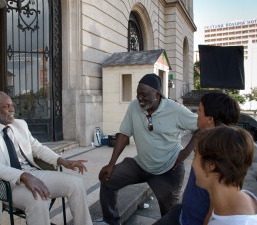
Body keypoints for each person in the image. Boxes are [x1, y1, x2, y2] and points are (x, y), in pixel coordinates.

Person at [0, 91, 92, 225]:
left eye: (12, 105)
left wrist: (63, 161)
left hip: (32, 174)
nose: (12, 109)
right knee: (38, 199)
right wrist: (23, 176)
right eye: (6, 106)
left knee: (76, 184)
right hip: (5, 185)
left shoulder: (19, 125)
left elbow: (37, 148)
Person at [93, 73, 198, 225]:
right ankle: (110, 221)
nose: (140, 99)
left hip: (168, 169)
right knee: (108, 179)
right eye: (138, 94)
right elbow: (123, 135)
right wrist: (111, 164)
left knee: (170, 215)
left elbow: (202, 126)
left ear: (158, 94)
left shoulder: (175, 110)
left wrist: (185, 153)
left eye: (144, 95)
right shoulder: (134, 106)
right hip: (141, 164)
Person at [153, 92, 241, 225]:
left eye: (199, 110)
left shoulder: (220, 156)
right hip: (182, 213)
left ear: (210, 119)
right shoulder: (207, 142)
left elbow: (217, 203)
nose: (197, 113)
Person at [193, 125, 257, 225]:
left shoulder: (242, 222)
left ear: (210, 165)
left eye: (195, 155)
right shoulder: (223, 199)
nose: (192, 164)